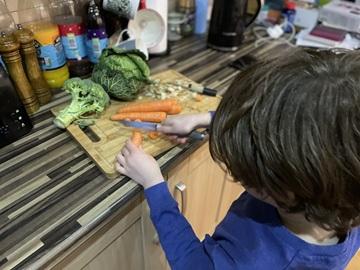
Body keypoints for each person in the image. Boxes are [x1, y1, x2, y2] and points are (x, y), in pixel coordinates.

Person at [115, 48, 360, 269]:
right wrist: (208, 119)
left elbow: (193, 264)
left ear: (273, 186)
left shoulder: (252, 262)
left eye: (241, 172)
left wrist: (154, 184)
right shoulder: (340, 189)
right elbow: (296, 125)